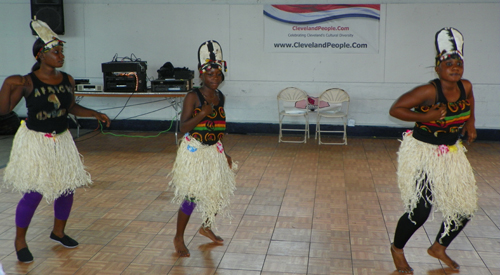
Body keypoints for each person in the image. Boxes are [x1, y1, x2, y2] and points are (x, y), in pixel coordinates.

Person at [0, 19, 111, 263]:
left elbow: (70, 106)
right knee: (34, 192)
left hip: (61, 140)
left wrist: (94, 114)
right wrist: (7, 84)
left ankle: (58, 232)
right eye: (56, 52)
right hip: (36, 142)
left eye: (62, 51)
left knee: (66, 188)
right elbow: (4, 108)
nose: (61, 56)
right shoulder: (26, 82)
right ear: (41, 55)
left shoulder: (67, 79)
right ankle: (20, 240)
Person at [389, 27, 477, 273]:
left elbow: (470, 102)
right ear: (438, 67)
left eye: (458, 63)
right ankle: (397, 249)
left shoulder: (466, 86)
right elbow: (396, 110)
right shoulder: (428, 91)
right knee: (419, 212)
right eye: (449, 63)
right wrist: (427, 116)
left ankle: (439, 246)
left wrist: (470, 124)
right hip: (422, 153)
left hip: (450, 152)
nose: (455, 67)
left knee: (464, 207)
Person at [169, 40, 236, 257]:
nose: (214, 78)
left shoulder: (220, 97)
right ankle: (179, 237)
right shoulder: (193, 96)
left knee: (217, 190)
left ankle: (206, 226)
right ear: (201, 75)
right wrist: (202, 113)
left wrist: (223, 152)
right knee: (192, 196)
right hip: (195, 150)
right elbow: (183, 127)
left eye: (218, 75)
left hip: (213, 149)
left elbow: (217, 128)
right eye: (210, 75)